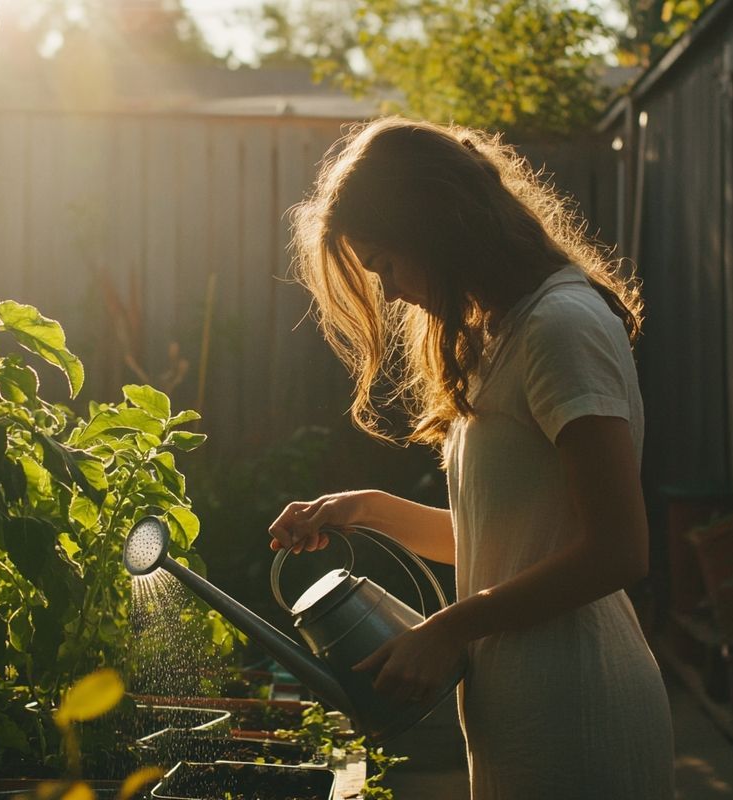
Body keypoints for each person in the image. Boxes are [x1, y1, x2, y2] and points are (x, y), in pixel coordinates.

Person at [268, 117, 675, 799]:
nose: (390, 292)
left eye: (387, 264)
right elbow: (511, 547)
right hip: (521, 713)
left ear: (439, 228)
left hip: (580, 707)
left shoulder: (561, 328)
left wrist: (447, 628)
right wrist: (365, 509)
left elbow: (618, 550)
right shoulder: (504, 333)